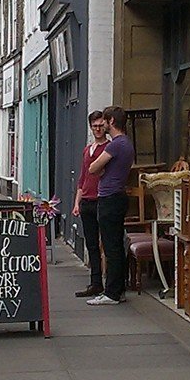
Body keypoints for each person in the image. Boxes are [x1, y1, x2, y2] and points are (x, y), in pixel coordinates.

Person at [86, 106, 135, 305]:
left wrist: (101, 168)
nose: (103, 125)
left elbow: (93, 167)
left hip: (110, 198)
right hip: (118, 195)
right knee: (116, 243)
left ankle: (112, 293)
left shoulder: (115, 145)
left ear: (112, 122)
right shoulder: (128, 144)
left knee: (111, 245)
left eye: (105, 121)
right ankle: (118, 289)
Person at [72, 111, 109, 297]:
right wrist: (76, 202)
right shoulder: (88, 150)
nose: (98, 129)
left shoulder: (109, 148)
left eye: (101, 125)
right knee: (91, 244)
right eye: (94, 126)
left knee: (108, 243)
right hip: (86, 201)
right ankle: (95, 282)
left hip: (101, 199)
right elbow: (82, 177)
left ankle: (110, 282)